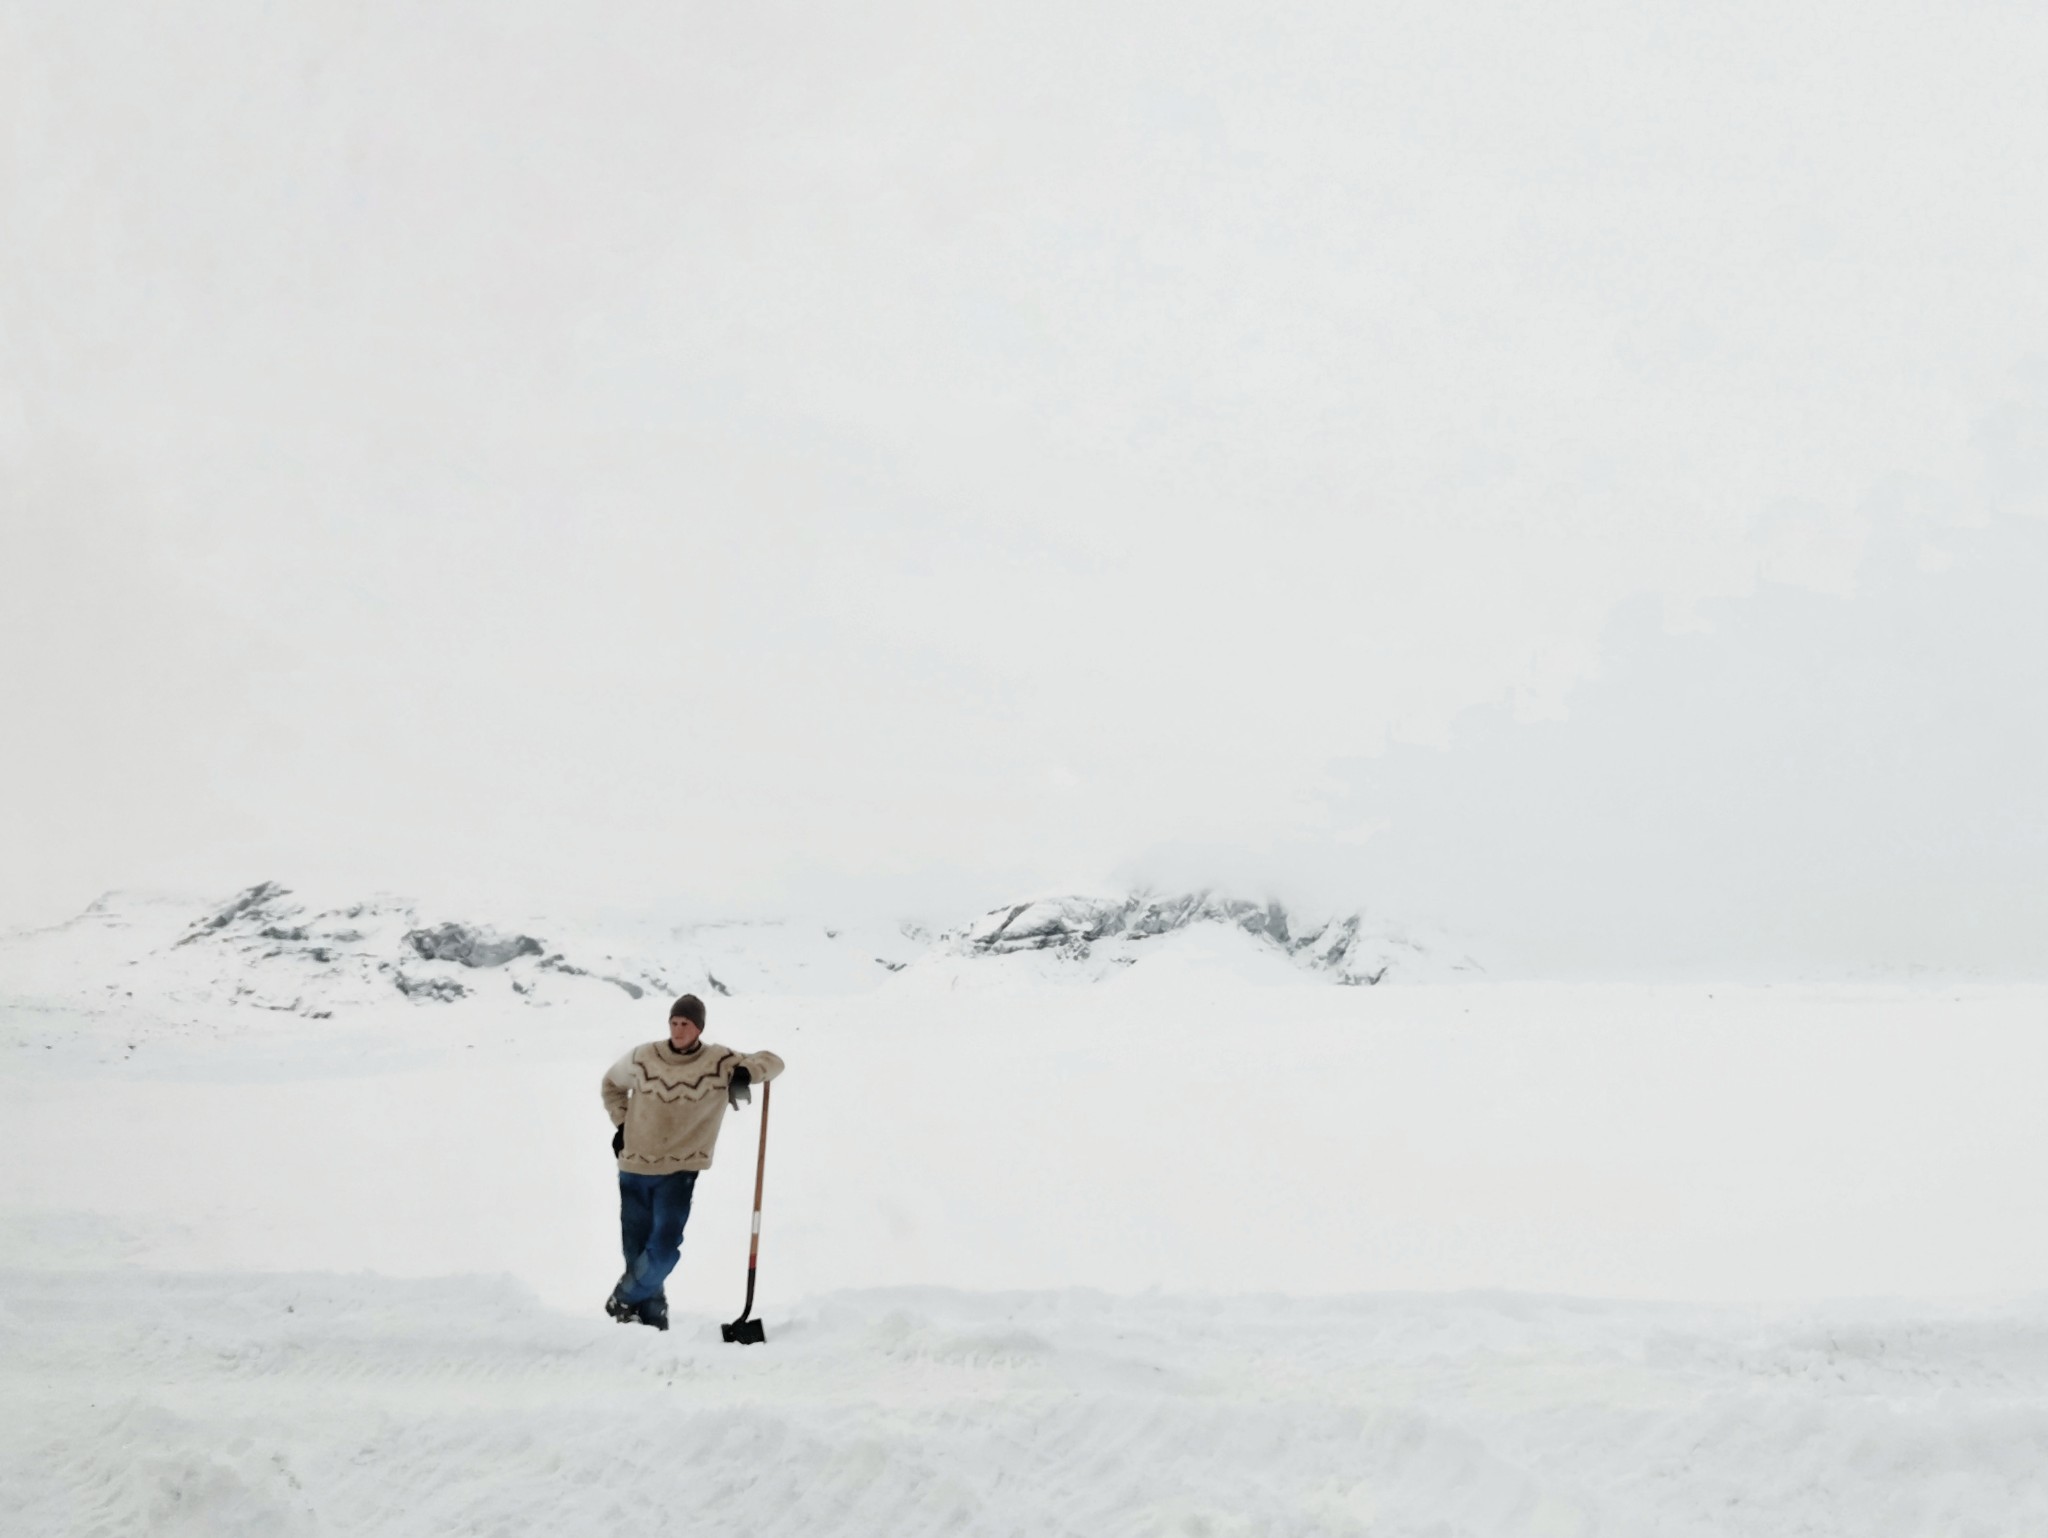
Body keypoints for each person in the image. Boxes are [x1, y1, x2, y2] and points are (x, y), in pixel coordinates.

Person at [599, 993, 784, 1330]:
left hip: (679, 1171)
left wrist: (745, 1072)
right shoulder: (643, 1057)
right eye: (674, 1022)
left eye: (685, 1023)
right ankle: (651, 1316)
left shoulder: (718, 1062)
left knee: (664, 1251)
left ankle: (623, 1298)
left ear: (698, 1027)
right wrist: (622, 1123)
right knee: (636, 1250)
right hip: (634, 1167)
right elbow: (611, 1084)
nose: (678, 1029)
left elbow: (774, 1061)